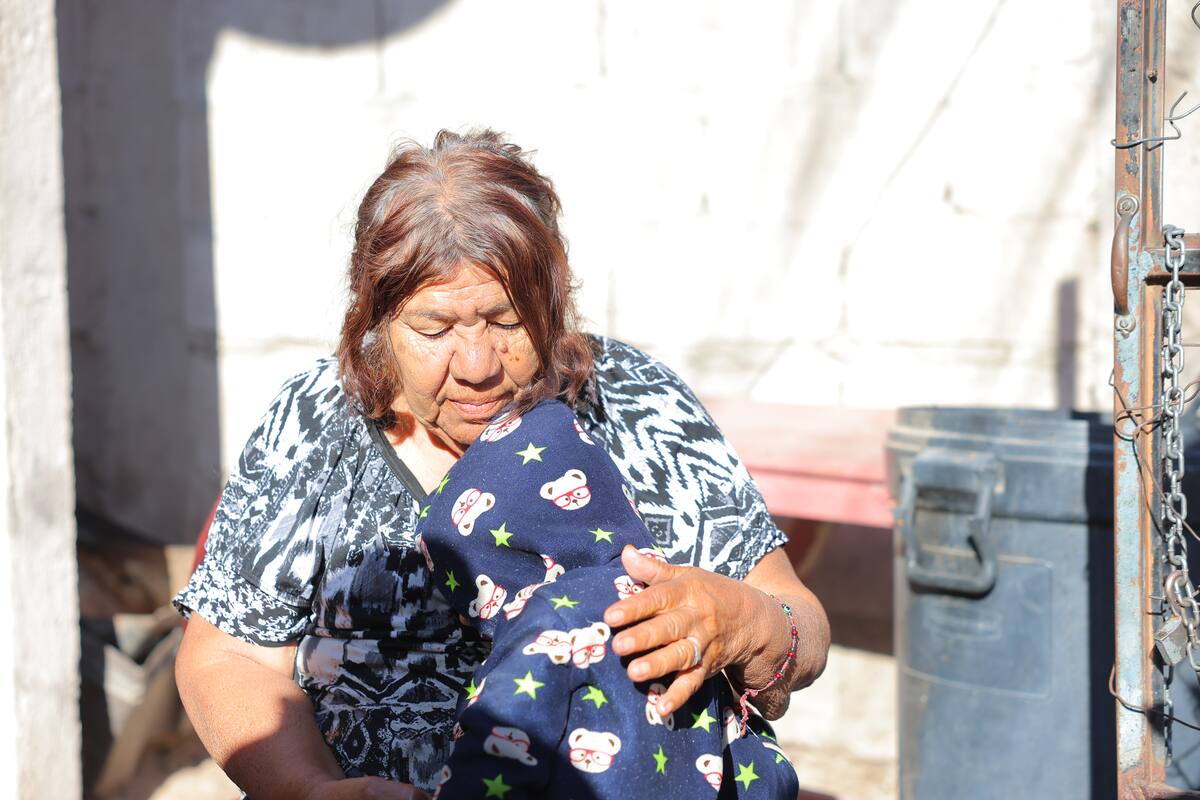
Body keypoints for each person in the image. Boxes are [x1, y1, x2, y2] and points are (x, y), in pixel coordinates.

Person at [173, 129, 830, 800]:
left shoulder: (636, 403)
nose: (481, 365)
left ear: (553, 299)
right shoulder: (315, 421)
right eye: (434, 330)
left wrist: (751, 623)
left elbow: (800, 624)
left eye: (506, 319)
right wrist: (308, 790)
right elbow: (229, 655)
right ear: (375, 318)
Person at [417, 399, 799, 799]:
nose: (464, 619)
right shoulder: (687, 612)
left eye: (461, 593)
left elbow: (495, 750)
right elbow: (763, 764)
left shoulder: (550, 622)